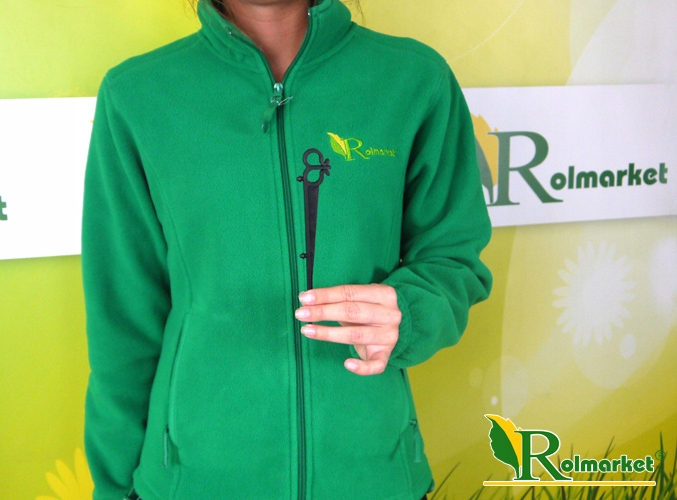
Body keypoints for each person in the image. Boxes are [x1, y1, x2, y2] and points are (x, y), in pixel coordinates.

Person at [81, 0, 493, 499]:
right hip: (195, 478)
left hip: (371, 474)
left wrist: (410, 311)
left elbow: (453, 256)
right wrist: (114, 486)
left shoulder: (414, 79)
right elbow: (122, 321)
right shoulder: (138, 94)